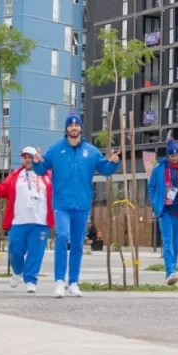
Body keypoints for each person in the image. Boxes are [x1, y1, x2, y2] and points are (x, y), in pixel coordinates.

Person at [32, 112, 120, 298]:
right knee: (62, 237)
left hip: (82, 204)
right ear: (66, 129)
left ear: (81, 128)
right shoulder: (55, 150)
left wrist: (113, 163)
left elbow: (104, 169)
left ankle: (73, 282)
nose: (73, 128)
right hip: (62, 204)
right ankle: (59, 282)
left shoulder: (91, 151)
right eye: (70, 125)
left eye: (77, 125)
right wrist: (36, 162)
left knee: (78, 245)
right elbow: (41, 169)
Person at [0, 146, 54, 293]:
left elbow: (58, 191)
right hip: (19, 221)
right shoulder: (16, 175)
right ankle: (18, 271)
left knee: (35, 253)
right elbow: (3, 191)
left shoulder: (47, 174)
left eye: (30, 156)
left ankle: (31, 280)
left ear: (36, 158)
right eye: (25, 157)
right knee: (15, 252)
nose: (28, 159)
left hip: (40, 222)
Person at [147, 138, 178, 286]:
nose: (175, 158)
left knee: (176, 243)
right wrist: (156, 204)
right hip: (165, 211)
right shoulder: (159, 169)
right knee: (167, 241)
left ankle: (173, 269)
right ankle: (170, 272)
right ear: (167, 156)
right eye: (172, 156)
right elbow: (151, 187)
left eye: (177, 155)